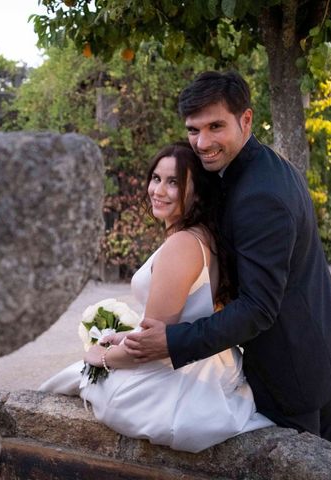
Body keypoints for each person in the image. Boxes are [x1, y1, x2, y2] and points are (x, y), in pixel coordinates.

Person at [122, 71, 331, 449]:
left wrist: (172, 340)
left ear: (245, 119)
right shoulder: (254, 166)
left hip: (291, 367)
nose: (202, 142)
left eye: (216, 126)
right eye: (193, 130)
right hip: (314, 347)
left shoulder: (259, 194)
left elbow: (258, 308)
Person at [40, 141, 274, 453]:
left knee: (83, 380)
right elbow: (175, 321)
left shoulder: (183, 245)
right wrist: (120, 339)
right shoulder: (202, 234)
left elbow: (154, 344)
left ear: (198, 191)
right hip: (196, 354)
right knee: (77, 376)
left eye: (174, 182)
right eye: (156, 178)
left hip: (181, 366)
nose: (159, 190)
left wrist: (104, 358)